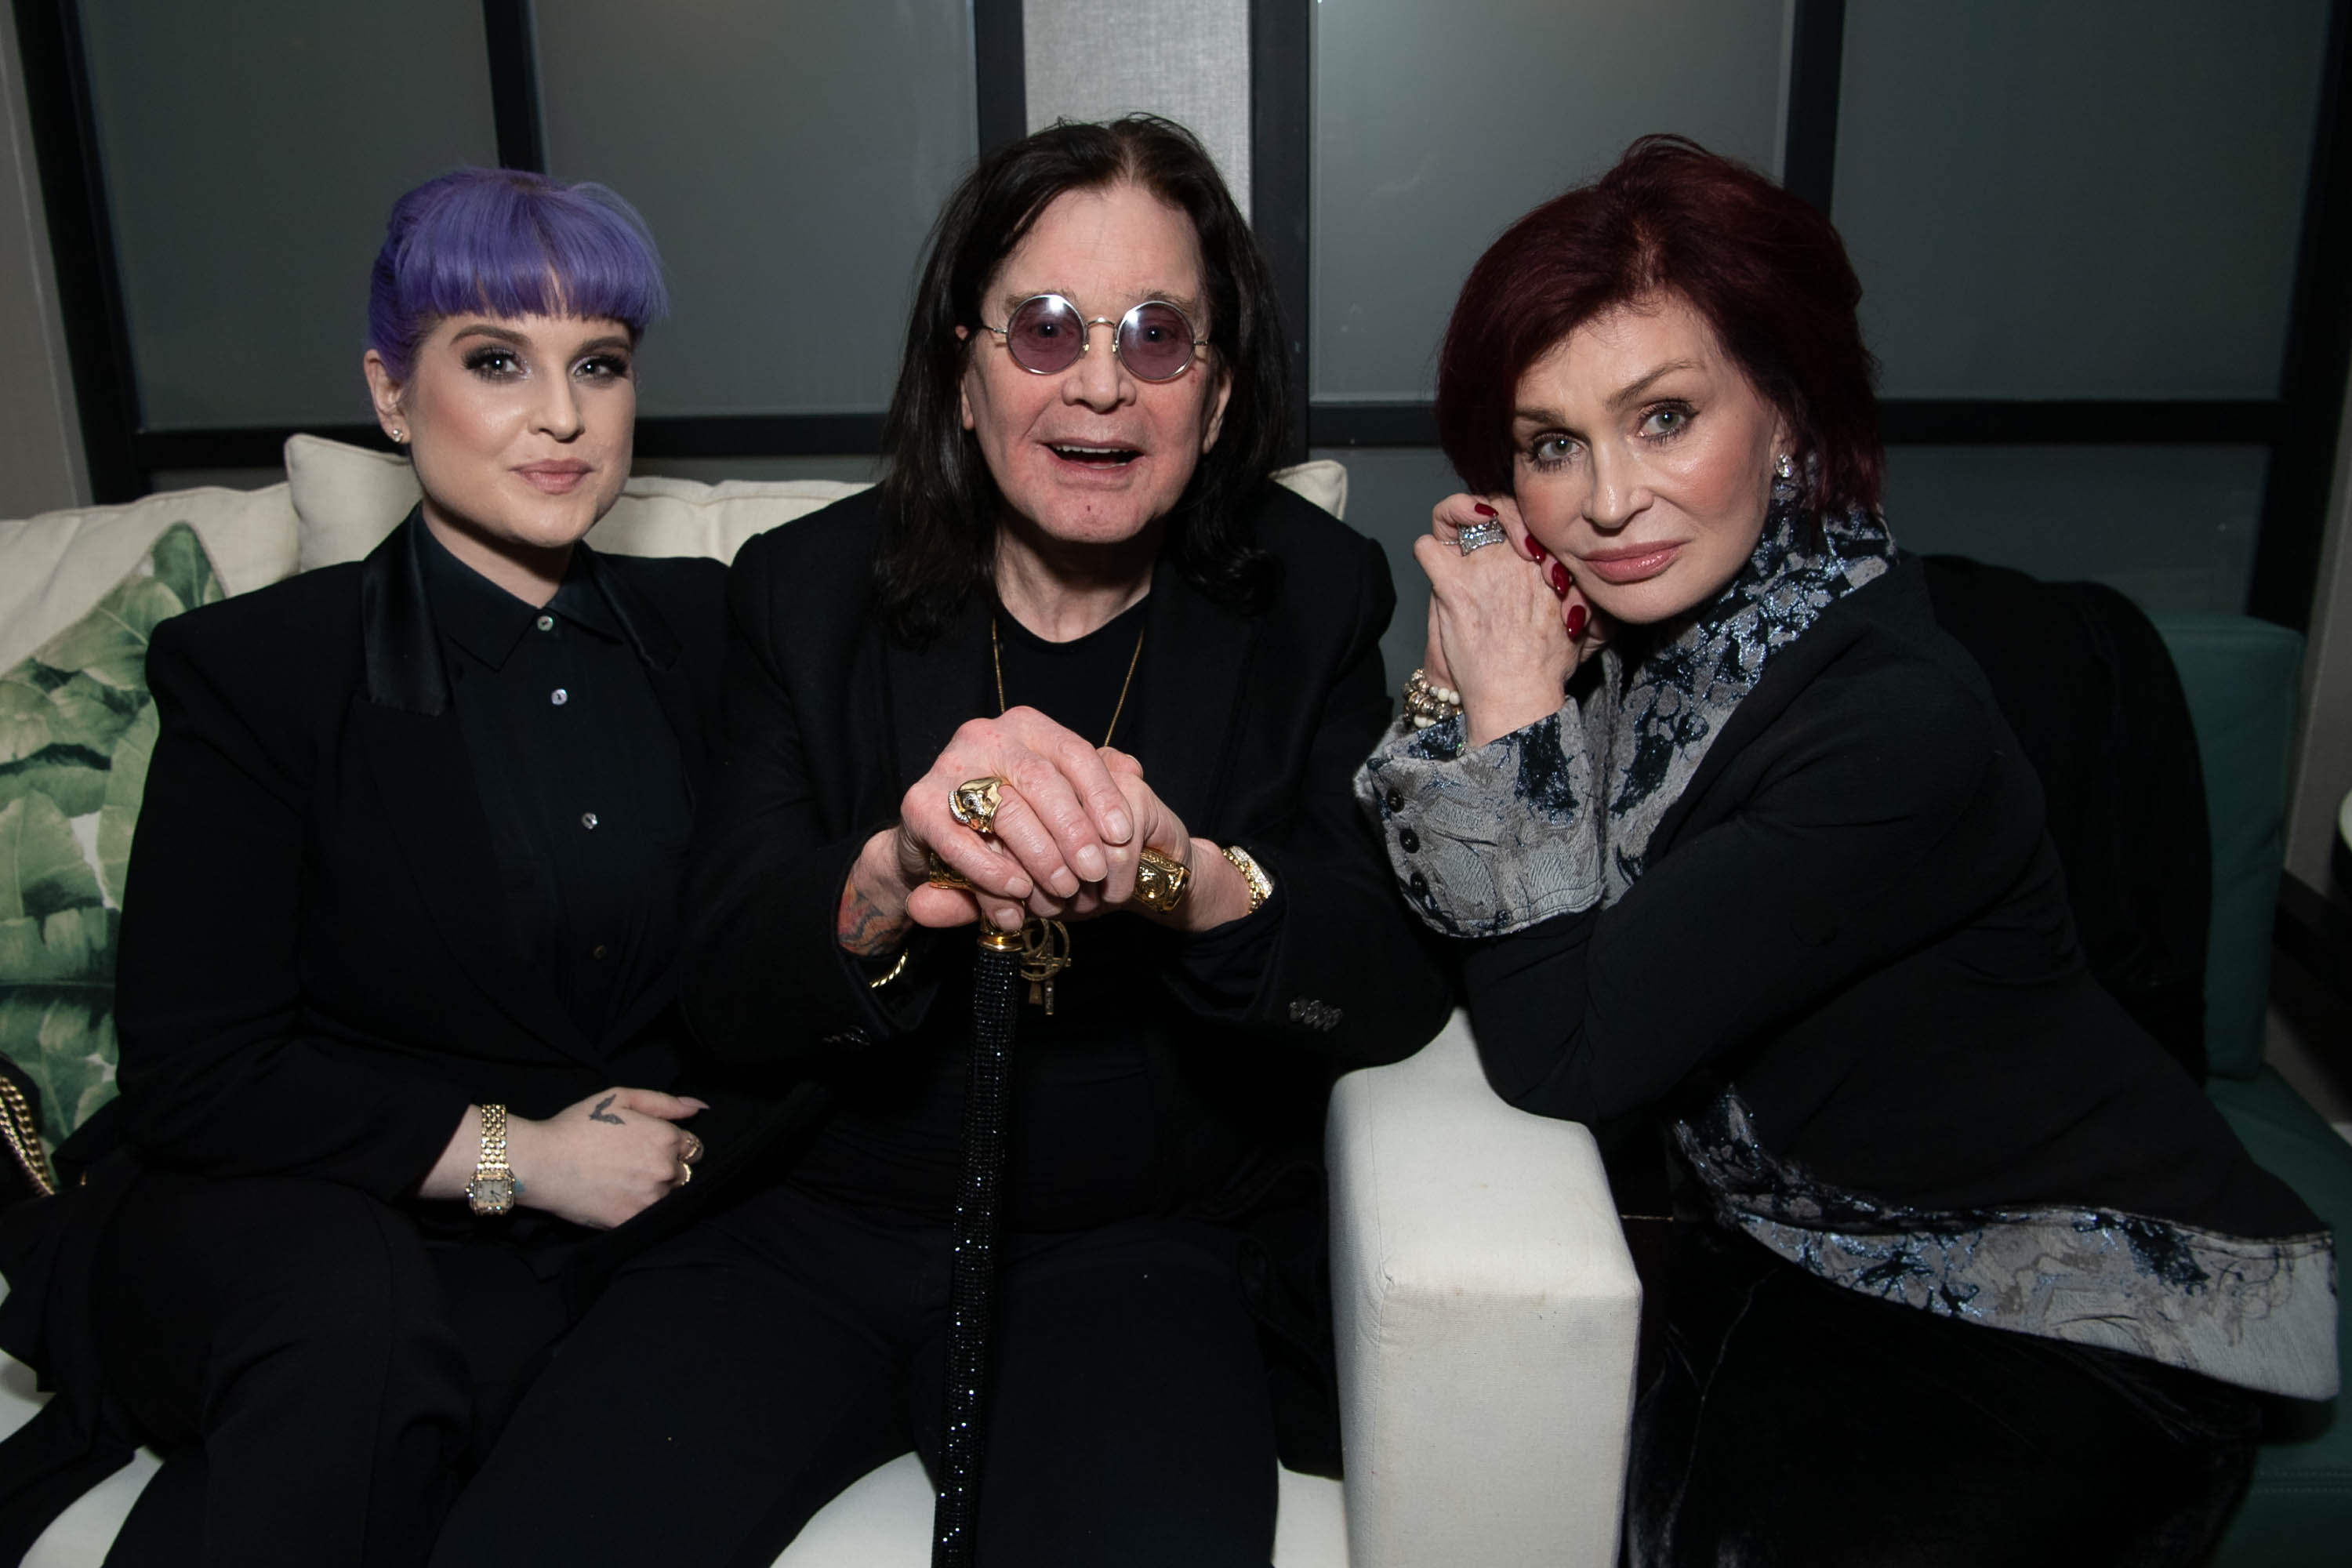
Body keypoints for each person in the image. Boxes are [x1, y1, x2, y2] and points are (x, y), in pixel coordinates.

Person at [434, 115, 1450, 1567]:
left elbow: (1388, 981)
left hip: (1137, 1251)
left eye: (1159, 336)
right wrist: (889, 882)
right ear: (965, 374)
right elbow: (723, 973)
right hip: (802, 1222)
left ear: (1216, 400)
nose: (1099, 380)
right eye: (1042, 328)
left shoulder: (1312, 599)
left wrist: (1186, 876)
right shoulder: (802, 591)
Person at [1360, 136, 2335, 1566]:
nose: (1609, 503)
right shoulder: (1652, 635)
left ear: (1789, 418)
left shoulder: (1894, 724)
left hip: (2047, 1296)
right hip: (1779, 1236)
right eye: (1552, 443)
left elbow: (1561, 1053)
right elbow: (1448, 907)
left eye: (1666, 417)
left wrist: (1511, 712)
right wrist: (1476, 689)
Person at [0, 168, 785, 1567]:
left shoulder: (713, 633)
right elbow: (203, 1077)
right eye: (497, 360)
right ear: (390, 393)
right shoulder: (264, 674)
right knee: (355, 1326)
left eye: (597, 365)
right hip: (288, 1211)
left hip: (558, 1255)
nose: (562, 416)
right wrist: (521, 1159)